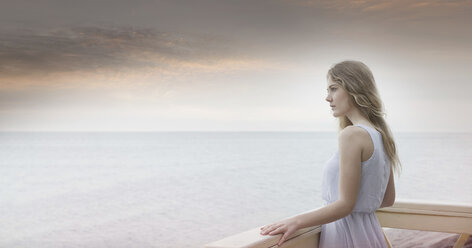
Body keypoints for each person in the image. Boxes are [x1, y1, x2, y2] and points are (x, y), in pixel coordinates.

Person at [259, 60, 400, 247]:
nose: (328, 98)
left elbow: (344, 205)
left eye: (333, 89)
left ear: (354, 88)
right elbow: (387, 200)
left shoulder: (352, 135)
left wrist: (296, 221)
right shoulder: (381, 136)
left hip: (345, 237)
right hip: (370, 235)